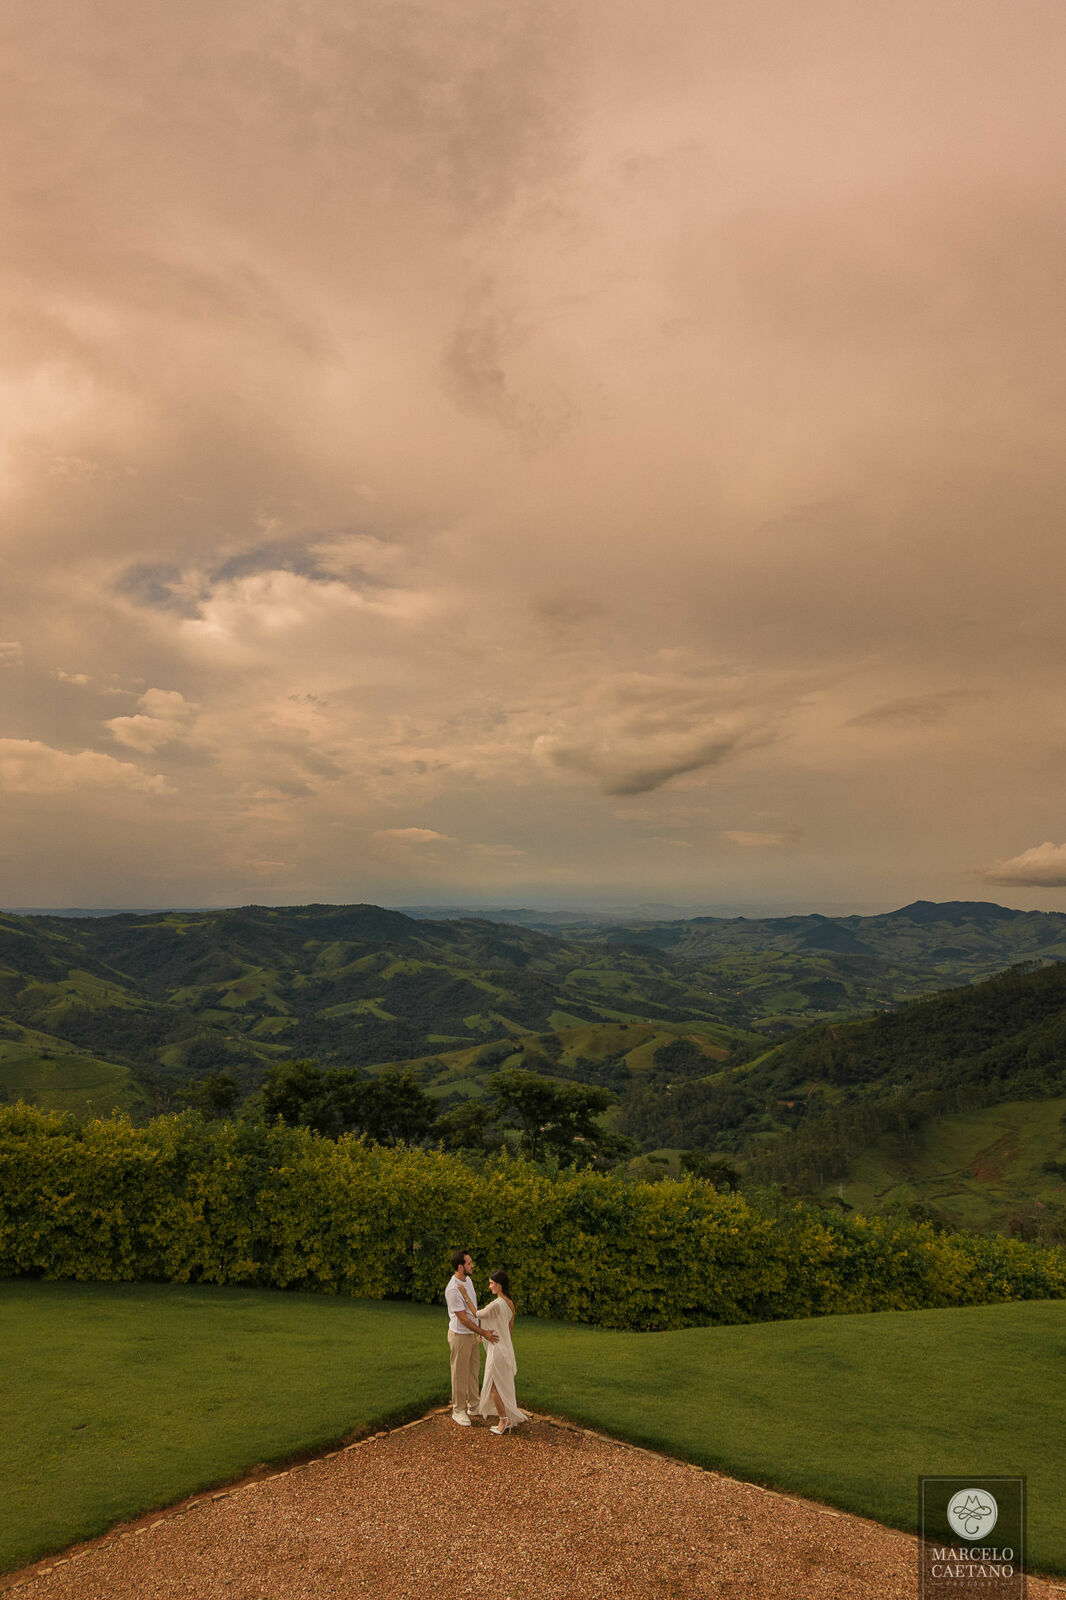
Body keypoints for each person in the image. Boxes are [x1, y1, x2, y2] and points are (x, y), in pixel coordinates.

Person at [445, 1248, 497, 1426]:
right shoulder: (453, 1289)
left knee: (473, 1371)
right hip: (460, 1336)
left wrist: (478, 1331)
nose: (472, 1265)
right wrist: (483, 1332)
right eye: (469, 1263)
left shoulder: (468, 1280)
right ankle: (458, 1410)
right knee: (460, 1374)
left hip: (472, 1334)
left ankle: (474, 1405)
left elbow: (472, 1310)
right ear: (460, 1267)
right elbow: (463, 1319)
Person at [474, 1268, 528, 1434]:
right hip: (505, 1349)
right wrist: (488, 1333)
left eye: (491, 1283)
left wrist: (466, 1297)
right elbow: (509, 1330)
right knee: (503, 1386)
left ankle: (503, 1420)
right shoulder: (510, 1304)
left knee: (494, 1387)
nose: (489, 1286)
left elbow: (477, 1314)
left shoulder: (496, 1304)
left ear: (499, 1285)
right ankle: (507, 1418)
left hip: (496, 1351)